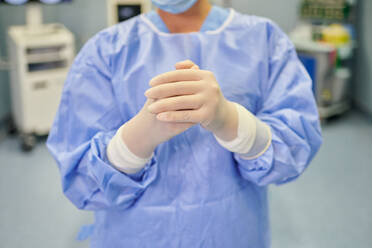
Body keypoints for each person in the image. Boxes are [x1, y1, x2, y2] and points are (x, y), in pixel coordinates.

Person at [47, 0, 322, 247]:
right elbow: (82, 178)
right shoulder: (106, 50)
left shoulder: (263, 40)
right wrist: (137, 138)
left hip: (232, 233)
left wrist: (230, 121)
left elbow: (294, 143)